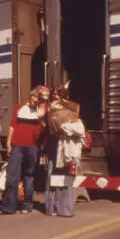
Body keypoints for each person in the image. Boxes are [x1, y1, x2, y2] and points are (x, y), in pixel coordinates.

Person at [0, 87, 48, 215]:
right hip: (17, 145)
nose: (36, 99)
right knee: (12, 176)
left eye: (38, 98)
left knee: (29, 176)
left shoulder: (43, 110)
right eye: (34, 96)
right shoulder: (19, 108)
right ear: (30, 96)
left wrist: (41, 117)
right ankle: (9, 206)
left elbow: (45, 129)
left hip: (33, 146)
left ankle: (27, 205)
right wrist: (8, 144)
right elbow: (12, 126)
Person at [44, 86, 83, 217]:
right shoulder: (48, 108)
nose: (55, 96)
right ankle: (51, 207)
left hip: (65, 144)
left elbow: (76, 118)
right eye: (54, 94)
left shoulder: (71, 106)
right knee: (52, 175)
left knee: (66, 176)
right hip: (52, 144)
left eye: (58, 94)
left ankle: (65, 208)